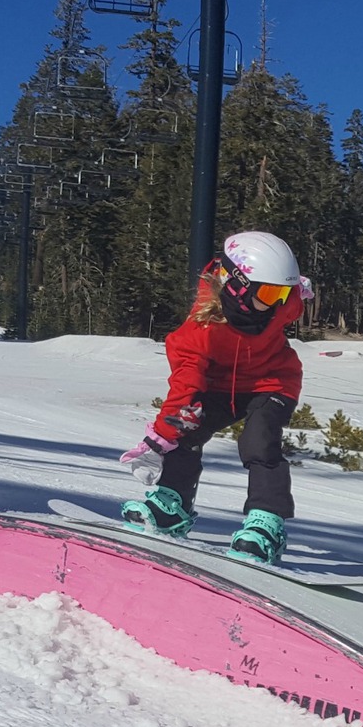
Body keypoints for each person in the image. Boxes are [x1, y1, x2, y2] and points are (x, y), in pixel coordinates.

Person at [119, 230, 314, 564]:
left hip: (272, 382)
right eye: (268, 293)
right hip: (219, 387)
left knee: (260, 441)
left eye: (283, 294)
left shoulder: (281, 305)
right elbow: (185, 386)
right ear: (236, 283)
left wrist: (294, 287)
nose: (278, 303)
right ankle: (172, 504)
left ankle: (266, 522)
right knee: (187, 426)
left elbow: (293, 297)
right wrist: (161, 439)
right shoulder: (200, 330)